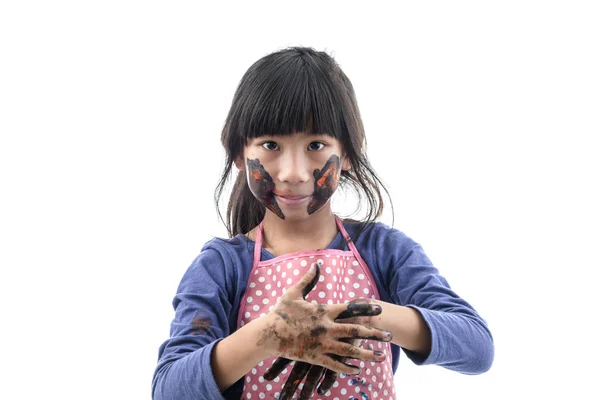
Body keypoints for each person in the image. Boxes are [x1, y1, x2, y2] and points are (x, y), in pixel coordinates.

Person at [152, 47, 494, 400]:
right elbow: (169, 389)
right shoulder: (221, 266)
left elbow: (477, 348)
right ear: (240, 153)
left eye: (316, 144)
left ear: (347, 153)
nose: (294, 173)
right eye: (270, 144)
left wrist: (365, 316)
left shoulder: (385, 252)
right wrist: (269, 334)